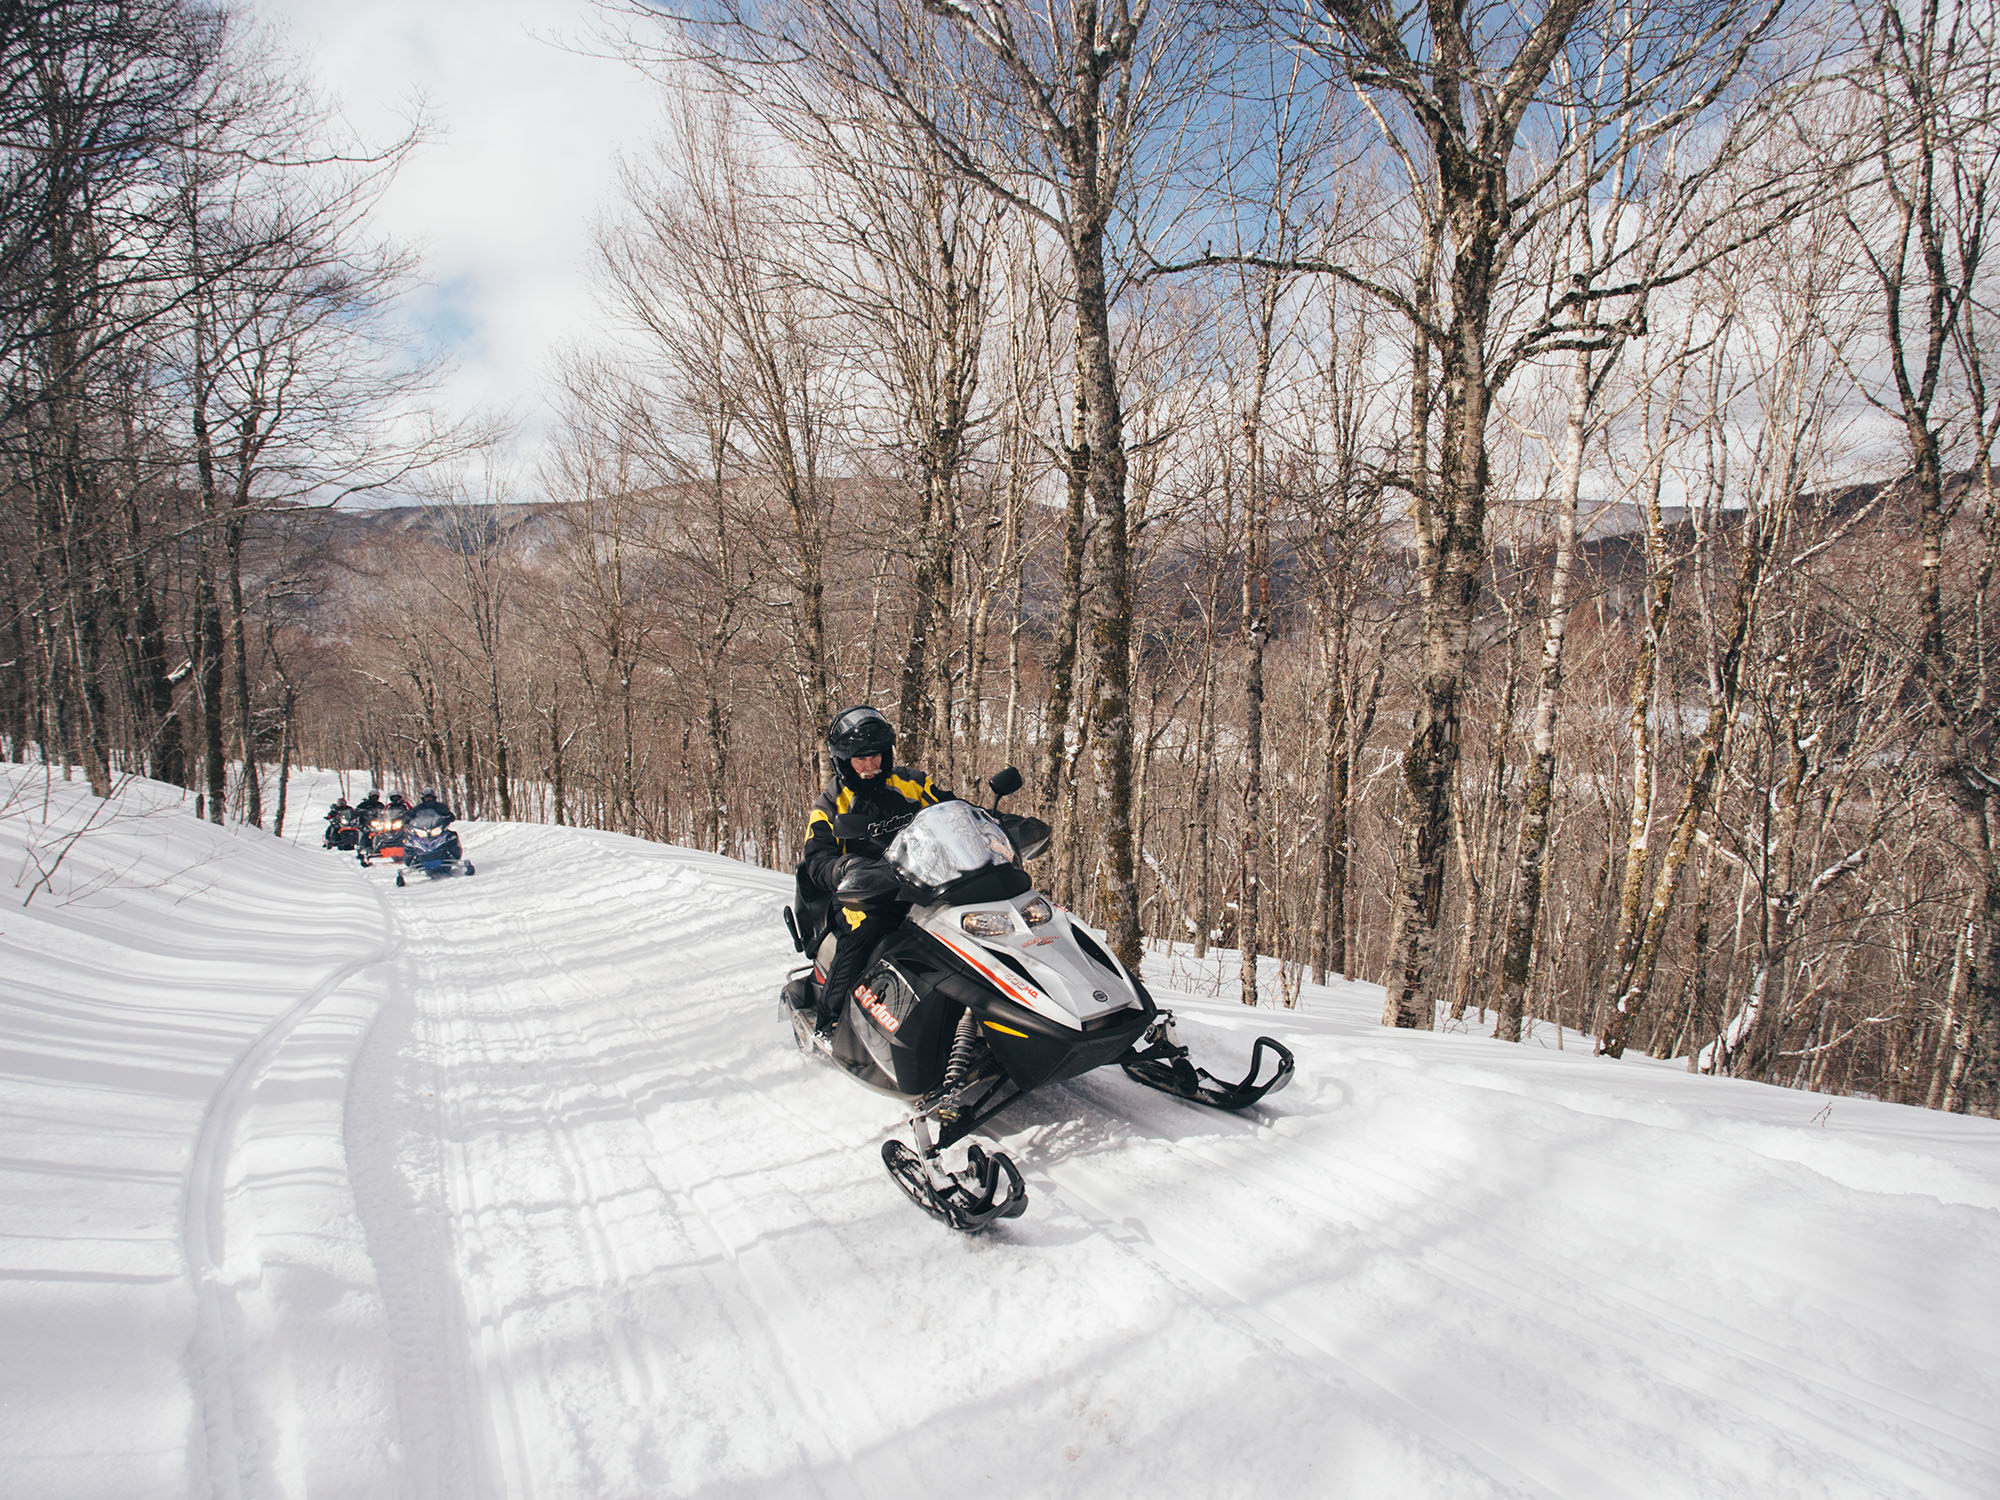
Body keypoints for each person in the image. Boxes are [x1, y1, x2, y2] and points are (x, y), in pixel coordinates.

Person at [798, 705, 953, 1036]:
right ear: (845, 761)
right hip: (861, 892)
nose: (870, 765)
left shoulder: (911, 783)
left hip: (919, 879)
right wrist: (846, 867)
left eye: (875, 755)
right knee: (867, 930)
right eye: (860, 758)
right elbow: (816, 858)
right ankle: (829, 1020)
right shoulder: (831, 803)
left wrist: (994, 822)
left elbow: (952, 810)